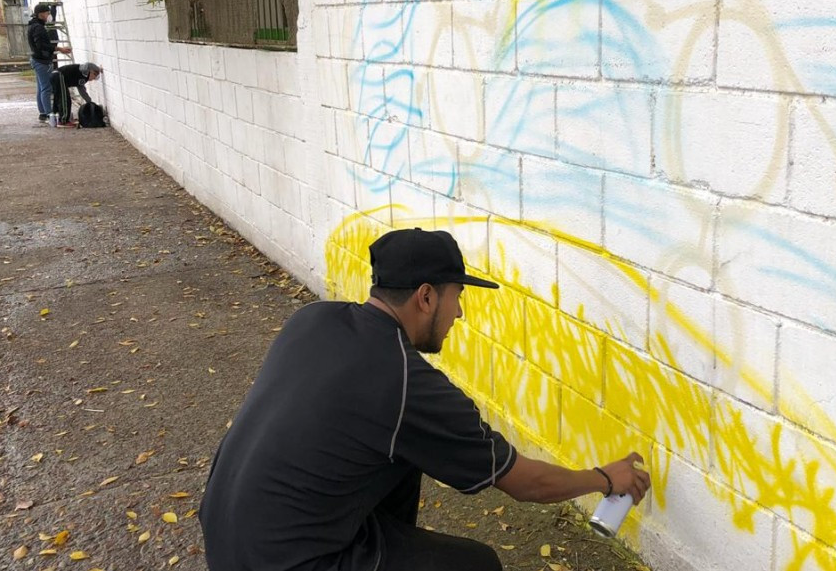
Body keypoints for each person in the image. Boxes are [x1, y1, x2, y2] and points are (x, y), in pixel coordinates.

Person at [199, 228, 651, 571]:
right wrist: (603, 479)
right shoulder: (405, 384)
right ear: (427, 297)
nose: (459, 312)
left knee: (398, 457)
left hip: (225, 532)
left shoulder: (315, 318)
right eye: (457, 297)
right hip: (288, 561)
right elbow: (523, 482)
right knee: (477, 565)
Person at [26, 3, 70, 123]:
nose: (48, 15)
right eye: (47, 13)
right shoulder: (38, 28)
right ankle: (48, 114)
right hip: (42, 61)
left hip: (37, 59)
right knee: (46, 88)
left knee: (41, 87)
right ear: (41, 14)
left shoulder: (34, 25)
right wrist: (59, 49)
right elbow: (41, 45)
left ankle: (43, 113)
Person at [50, 62, 102, 126]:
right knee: (65, 99)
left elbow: (82, 91)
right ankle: (63, 120)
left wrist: (89, 101)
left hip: (56, 76)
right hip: (58, 76)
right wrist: (98, 69)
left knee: (58, 97)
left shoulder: (83, 79)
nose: (92, 80)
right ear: (91, 72)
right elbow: (88, 65)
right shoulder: (84, 71)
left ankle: (56, 116)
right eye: (94, 77)